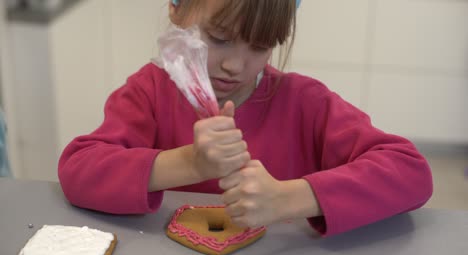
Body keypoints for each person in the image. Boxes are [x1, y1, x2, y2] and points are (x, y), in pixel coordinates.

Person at [58, 0, 432, 237]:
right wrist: (188, 163)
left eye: (259, 46)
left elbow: (410, 171)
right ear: (177, 9)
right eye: (219, 38)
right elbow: (78, 170)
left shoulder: (304, 103)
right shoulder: (149, 92)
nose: (235, 65)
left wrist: (290, 198)